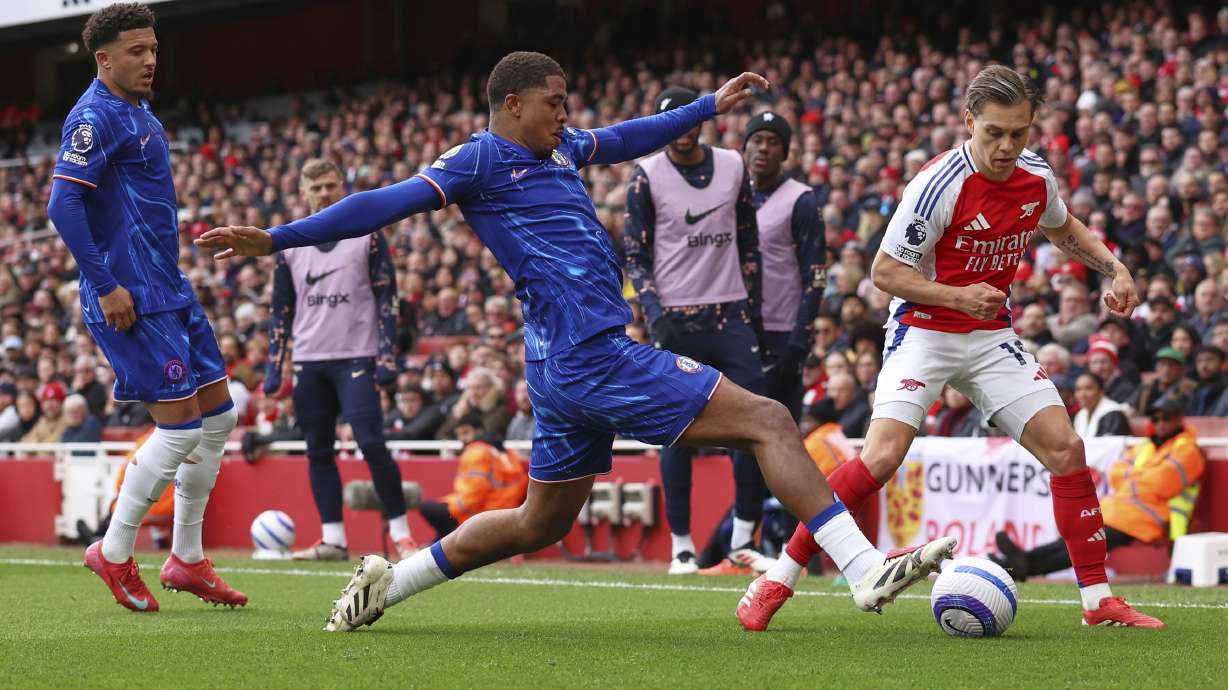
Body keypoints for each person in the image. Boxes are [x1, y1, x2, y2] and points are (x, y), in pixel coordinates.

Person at [198, 52, 954, 632]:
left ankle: (386, 586)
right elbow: (379, 204)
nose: (567, 115)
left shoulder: (556, 149)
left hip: (561, 365)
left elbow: (628, 137)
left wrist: (704, 108)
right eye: (555, 104)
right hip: (592, 356)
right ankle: (862, 570)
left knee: (540, 522)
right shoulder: (477, 161)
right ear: (513, 104)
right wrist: (277, 239)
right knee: (770, 420)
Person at [740, 65, 1164, 631]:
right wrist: (958, 297)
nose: (1007, 146)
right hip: (924, 330)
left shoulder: (1036, 176)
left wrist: (1113, 267)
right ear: (969, 123)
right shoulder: (937, 184)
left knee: (1066, 449)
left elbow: (1064, 229)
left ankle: (1097, 602)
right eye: (994, 133)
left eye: (1019, 132)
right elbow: (885, 272)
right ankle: (777, 579)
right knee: (882, 456)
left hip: (989, 336)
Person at [45, 3, 243, 612]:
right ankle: (113, 549)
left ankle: (186, 559)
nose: (151, 59)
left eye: (153, 48)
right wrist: (105, 283)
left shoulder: (141, 114)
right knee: (181, 425)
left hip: (170, 288)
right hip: (130, 296)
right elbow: (62, 206)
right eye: (137, 51)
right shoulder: (94, 117)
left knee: (219, 418)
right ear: (104, 59)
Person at [623, 86, 773, 575]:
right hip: (676, 317)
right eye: (672, 124)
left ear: (700, 122)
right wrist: (651, 311)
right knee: (676, 434)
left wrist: (754, 308)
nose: (682, 133)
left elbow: (749, 239)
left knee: (756, 423)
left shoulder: (733, 164)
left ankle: (744, 540)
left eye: (688, 122)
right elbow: (636, 254)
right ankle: (682, 546)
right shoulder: (645, 175)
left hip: (730, 314)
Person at [262, 158, 416, 562]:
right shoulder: (291, 242)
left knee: (371, 443)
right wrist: (273, 363)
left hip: (356, 356)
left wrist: (387, 355)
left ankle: (401, 533)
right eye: (317, 188)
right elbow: (280, 309)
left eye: (331, 185)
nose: (324, 193)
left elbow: (388, 297)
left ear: (342, 186)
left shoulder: (367, 235)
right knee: (318, 450)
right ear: (304, 193)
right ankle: (334, 539)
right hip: (310, 359)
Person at [993, 395, 1204, 579]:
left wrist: (1133, 477)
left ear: (1178, 419)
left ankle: (1021, 565)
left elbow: (1161, 483)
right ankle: (1021, 564)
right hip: (1120, 512)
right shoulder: (1147, 446)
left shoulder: (1188, 449)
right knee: (1076, 539)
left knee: (1084, 544)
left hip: (1148, 519)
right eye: (1155, 418)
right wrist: (1139, 477)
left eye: (1166, 418)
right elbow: (1116, 473)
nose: (1160, 423)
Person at [743, 111, 825, 419]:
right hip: (738, 330)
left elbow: (815, 277)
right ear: (745, 147)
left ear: (785, 152)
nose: (764, 148)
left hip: (781, 333)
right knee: (739, 435)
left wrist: (798, 343)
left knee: (779, 432)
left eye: (773, 142)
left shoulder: (802, 200)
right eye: (757, 140)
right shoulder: (731, 196)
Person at [417, 412, 529, 542]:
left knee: (428, 509)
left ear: (479, 431)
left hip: (482, 513)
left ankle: (439, 548)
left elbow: (474, 496)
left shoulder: (477, 451)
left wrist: (452, 512)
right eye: (459, 434)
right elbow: (521, 483)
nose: (462, 438)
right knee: (443, 524)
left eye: (466, 432)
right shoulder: (507, 452)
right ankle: (434, 548)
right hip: (507, 512)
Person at [1128, 346, 1196, 416]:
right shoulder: (1146, 387)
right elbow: (1131, 409)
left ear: (1181, 370)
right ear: (1156, 367)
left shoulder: (1188, 391)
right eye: (1163, 364)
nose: (1166, 370)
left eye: (1172, 365)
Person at [1071, 372, 1131, 439]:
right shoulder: (1080, 415)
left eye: (1088, 388)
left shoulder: (1112, 413)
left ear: (1101, 391)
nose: (1082, 394)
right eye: (1078, 389)